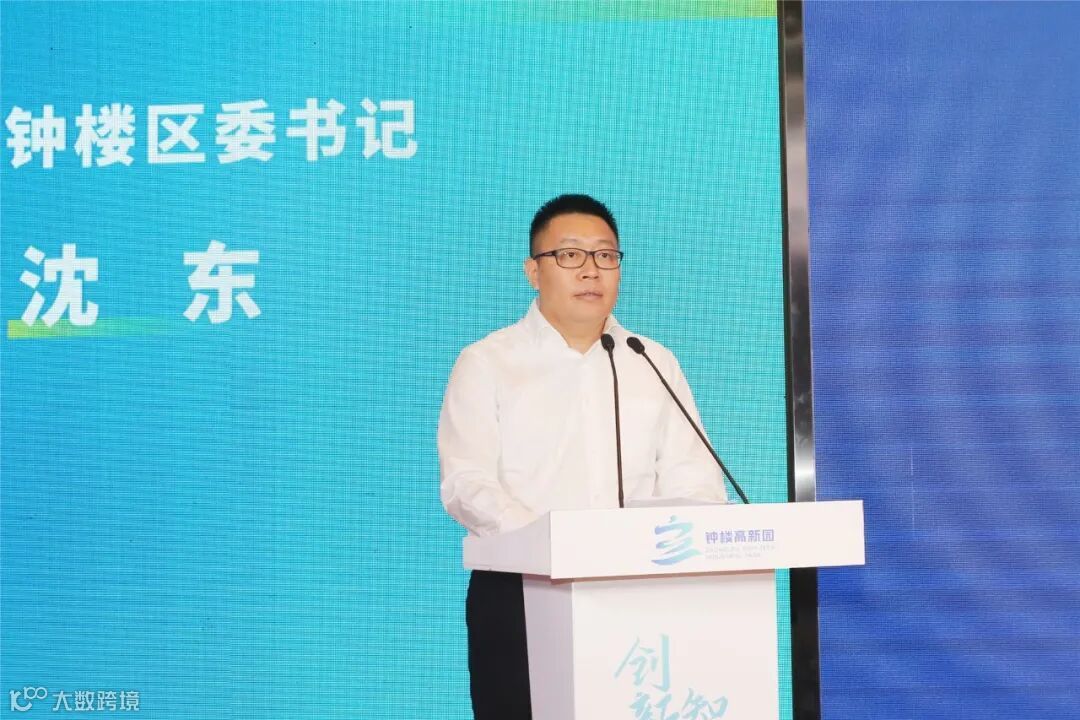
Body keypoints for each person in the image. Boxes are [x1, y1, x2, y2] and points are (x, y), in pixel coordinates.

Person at [438, 194, 727, 719]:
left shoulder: (652, 360)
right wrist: (551, 547)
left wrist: (673, 543)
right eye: (570, 254)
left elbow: (695, 480)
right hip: (521, 591)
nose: (591, 270)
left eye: (605, 255)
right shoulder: (488, 362)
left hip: (639, 592)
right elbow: (466, 482)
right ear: (533, 271)